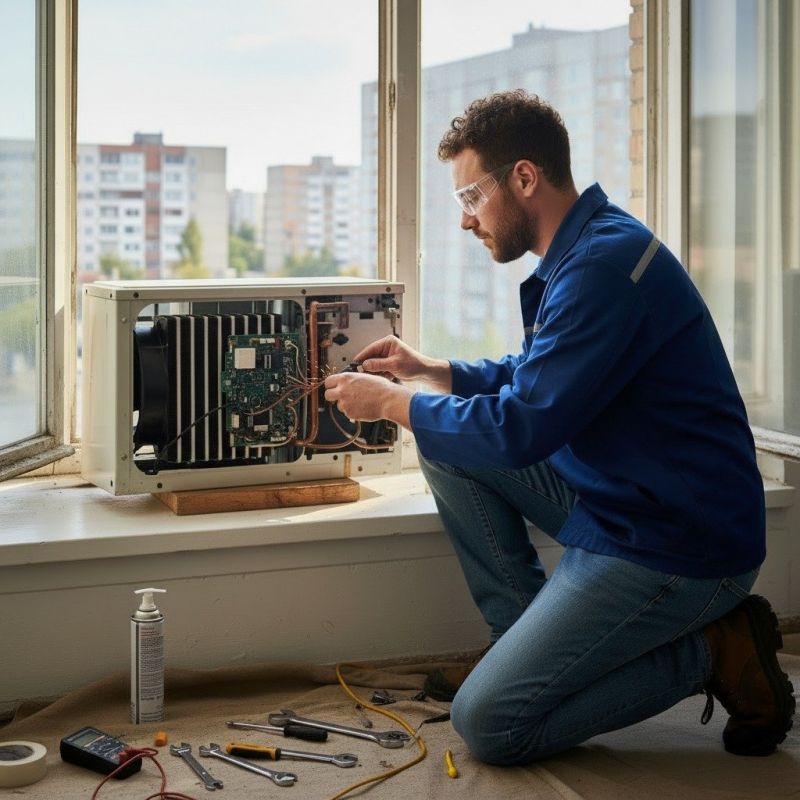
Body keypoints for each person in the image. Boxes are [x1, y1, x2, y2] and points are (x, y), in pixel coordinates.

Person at [323, 90, 795, 762]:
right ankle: (519, 642)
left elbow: (522, 427)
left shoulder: (603, 266)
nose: (466, 220)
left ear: (524, 177)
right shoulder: (585, 251)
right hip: (626, 496)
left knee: (489, 725)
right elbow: (540, 373)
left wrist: (394, 403)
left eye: (470, 197)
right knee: (448, 442)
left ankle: (712, 649)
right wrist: (435, 370)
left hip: (677, 541)